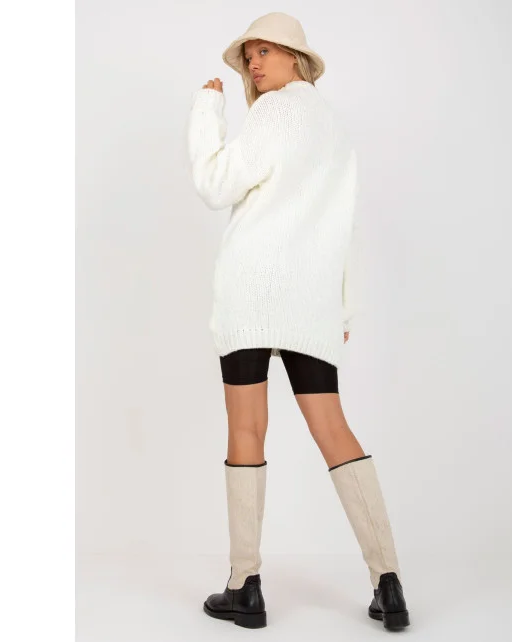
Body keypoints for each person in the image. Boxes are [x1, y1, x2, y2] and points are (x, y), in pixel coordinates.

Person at [187, 11, 410, 631]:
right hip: (310, 300)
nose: (254, 63)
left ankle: (245, 587)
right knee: (333, 429)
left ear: (296, 59)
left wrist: (207, 112)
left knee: (246, 429)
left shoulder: (273, 113)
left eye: (266, 51)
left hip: (252, 292)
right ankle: (389, 582)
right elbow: (344, 223)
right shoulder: (332, 125)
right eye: (249, 55)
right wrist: (342, 305)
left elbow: (215, 183)